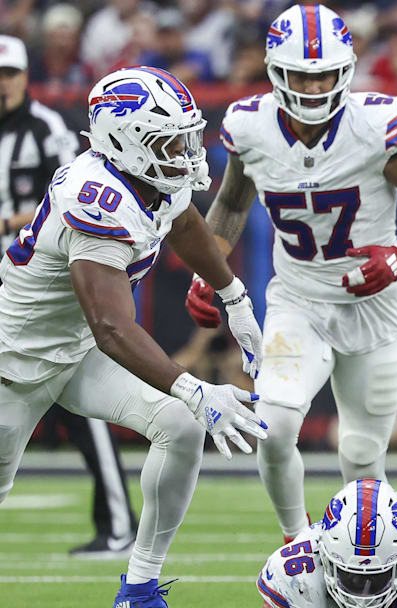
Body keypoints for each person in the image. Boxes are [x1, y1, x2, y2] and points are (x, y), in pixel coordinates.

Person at [185, 3, 397, 544]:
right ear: (276, 72)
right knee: (273, 428)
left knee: (362, 457)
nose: (315, 87)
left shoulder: (375, 125)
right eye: (301, 75)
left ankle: (367, 564)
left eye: (325, 74)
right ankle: (298, 545)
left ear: (346, 70)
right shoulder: (250, 127)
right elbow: (232, 203)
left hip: (375, 309)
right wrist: (206, 272)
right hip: (298, 303)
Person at [0, 66, 269, 608]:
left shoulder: (150, 178)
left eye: (185, 137)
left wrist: (235, 295)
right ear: (125, 142)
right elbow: (112, 328)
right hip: (15, 364)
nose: (185, 153)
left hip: (74, 352)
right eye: (168, 141)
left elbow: (185, 223)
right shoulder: (96, 197)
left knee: (179, 425)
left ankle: (140, 590)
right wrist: (195, 387)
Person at [0, 34, 139, 558]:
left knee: (74, 393)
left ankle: (118, 524)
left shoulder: (46, 129)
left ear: (25, 77)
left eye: (9, 74)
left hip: (45, 278)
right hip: (12, 286)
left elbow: (67, 197)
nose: (2, 84)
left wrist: (8, 221)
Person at [258, 478, 397, 608]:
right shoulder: (296, 578)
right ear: (325, 557)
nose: (363, 598)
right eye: (351, 578)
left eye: (376, 579)